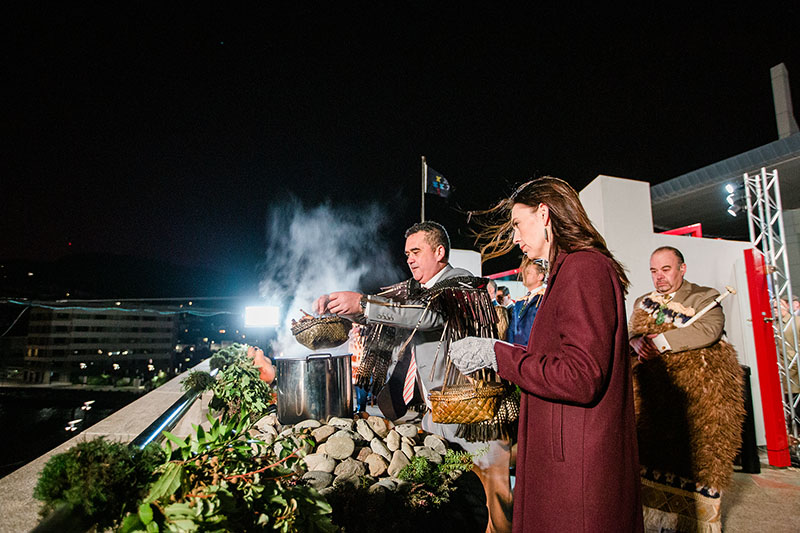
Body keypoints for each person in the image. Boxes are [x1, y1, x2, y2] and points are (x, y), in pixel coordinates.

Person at [449, 177, 643, 532]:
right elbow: (559, 354)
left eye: (518, 225)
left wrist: (499, 355)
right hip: (567, 452)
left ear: (544, 214)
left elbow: (581, 376)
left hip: (576, 467)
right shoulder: (569, 270)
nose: (515, 239)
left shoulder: (584, 268)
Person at [314, 221, 512, 533]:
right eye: (407, 253)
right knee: (455, 504)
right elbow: (395, 318)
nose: (409, 259)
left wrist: (364, 303)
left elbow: (427, 315)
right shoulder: (417, 293)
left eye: (416, 251)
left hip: (474, 418)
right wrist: (352, 311)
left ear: (440, 252)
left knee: (495, 510)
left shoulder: (459, 282)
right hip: (436, 416)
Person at [628, 246, 744, 533]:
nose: (659, 277)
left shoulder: (704, 297)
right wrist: (635, 342)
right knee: (652, 462)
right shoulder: (643, 301)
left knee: (698, 463)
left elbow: (710, 329)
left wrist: (662, 342)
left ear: (682, 269)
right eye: (654, 271)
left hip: (698, 402)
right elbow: (632, 331)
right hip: (654, 400)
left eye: (666, 269)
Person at [506, 258, 546, 345]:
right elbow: (512, 329)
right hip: (517, 351)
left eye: (528, 273)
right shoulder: (520, 301)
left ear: (540, 276)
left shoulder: (544, 299)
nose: (524, 275)